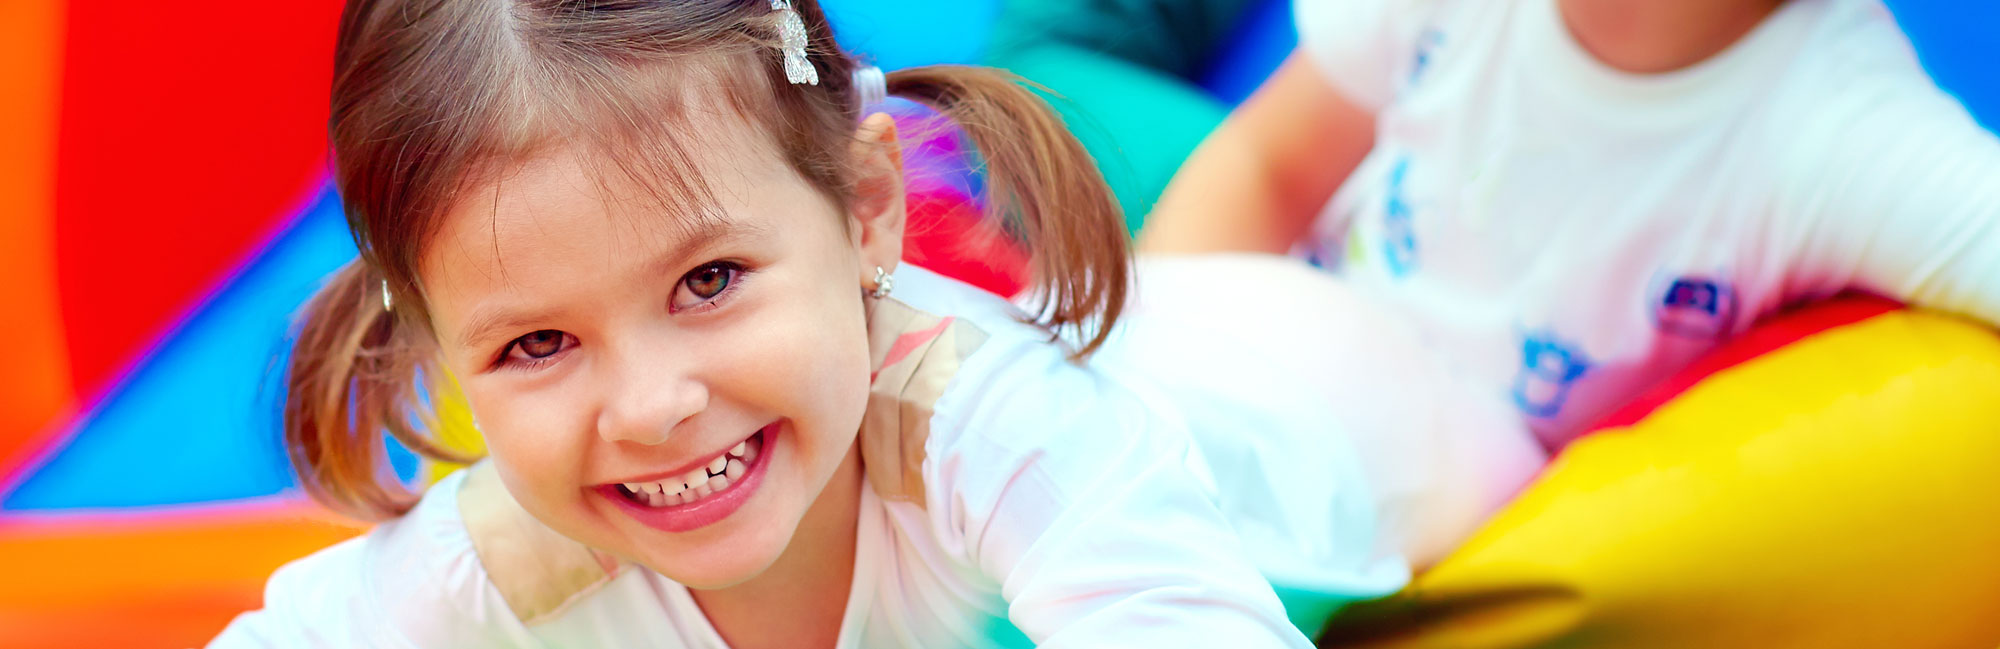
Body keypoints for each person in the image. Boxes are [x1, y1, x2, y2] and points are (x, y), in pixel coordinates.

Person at [210, 1, 1542, 646]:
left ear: (866, 210)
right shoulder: (507, 555)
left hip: (1378, 417)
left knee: (1077, 82)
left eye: (710, 281)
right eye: (537, 345)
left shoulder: (985, 417)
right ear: (438, 349)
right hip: (1177, 319)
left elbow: (1172, 614)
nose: (653, 404)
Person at [1141, 0, 2000, 448]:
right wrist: (1138, 369)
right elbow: (1267, 167)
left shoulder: (1834, 128)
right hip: (1288, 375)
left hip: (1459, 533)